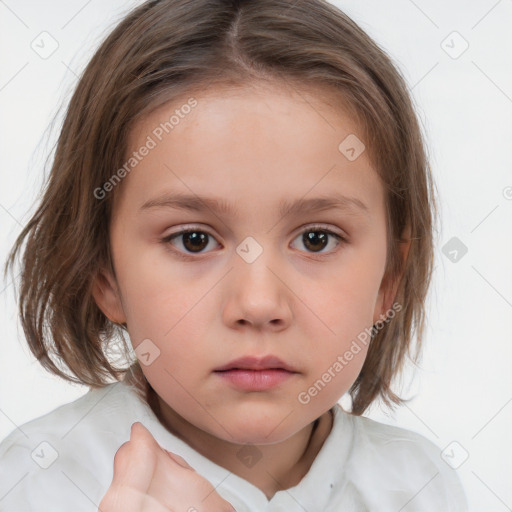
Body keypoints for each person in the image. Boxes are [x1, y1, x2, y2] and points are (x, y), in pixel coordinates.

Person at [0, 0, 468, 510]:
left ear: (387, 282)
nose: (258, 303)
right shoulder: (38, 481)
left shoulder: (417, 486)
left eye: (316, 239)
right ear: (104, 274)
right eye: (193, 240)